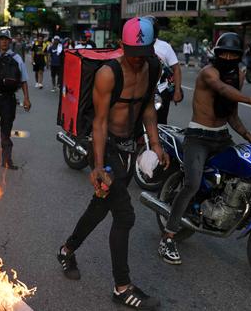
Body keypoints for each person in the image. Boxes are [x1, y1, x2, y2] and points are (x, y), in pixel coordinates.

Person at [57, 18, 167, 310]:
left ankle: (66, 250)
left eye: (142, 53)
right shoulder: (108, 73)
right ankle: (122, 286)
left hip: (129, 150)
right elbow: (100, 121)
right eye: (131, 53)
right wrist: (96, 165)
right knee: (125, 216)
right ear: (122, 46)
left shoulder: (153, 67)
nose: (136, 60)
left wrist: (155, 143)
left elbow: (146, 106)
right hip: (106, 149)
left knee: (99, 207)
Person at [158, 33, 251, 265]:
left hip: (221, 137)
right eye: (224, 54)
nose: (228, 57)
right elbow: (222, 90)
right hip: (198, 137)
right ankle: (168, 237)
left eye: (233, 54)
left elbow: (230, 113)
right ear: (217, 54)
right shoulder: (208, 72)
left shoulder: (238, 76)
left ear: (239, 56)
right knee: (191, 183)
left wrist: (250, 137)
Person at [0, 29, 31, 170]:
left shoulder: (16, 59)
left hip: (9, 100)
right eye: (1, 39)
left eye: (6, 39)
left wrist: (26, 99)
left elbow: (23, 80)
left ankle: (7, 160)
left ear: (9, 41)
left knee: (6, 131)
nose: (3, 42)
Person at [146, 16, 182, 124]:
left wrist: (177, 91)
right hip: (140, 90)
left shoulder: (165, 47)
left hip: (161, 92)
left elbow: (176, 69)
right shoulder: (137, 45)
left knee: (160, 122)